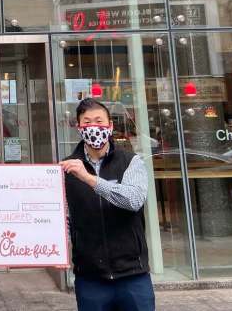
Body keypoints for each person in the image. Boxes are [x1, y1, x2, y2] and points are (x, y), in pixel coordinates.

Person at [60, 98, 154, 311]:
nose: (94, 127)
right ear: (79, 128)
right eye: (87, 122)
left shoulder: (131, 162)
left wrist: (90, 179)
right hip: (90, 277)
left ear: (110, 126)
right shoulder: (67, 169)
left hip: (132, 274)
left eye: (99, 121)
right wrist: (58, 249)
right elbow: (64, 216)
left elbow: (133, 200)